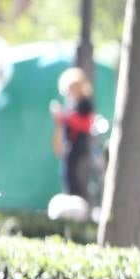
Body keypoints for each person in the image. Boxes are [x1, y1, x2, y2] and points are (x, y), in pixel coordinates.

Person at [49, 67, 97, 200]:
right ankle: (71, 199)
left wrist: (64, 117)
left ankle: (79, 202)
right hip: (70, 145)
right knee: (68, 176)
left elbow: (85, 124)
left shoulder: (85, 104)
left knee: (76, 178)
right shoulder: (73, 105)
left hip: (80, 146)